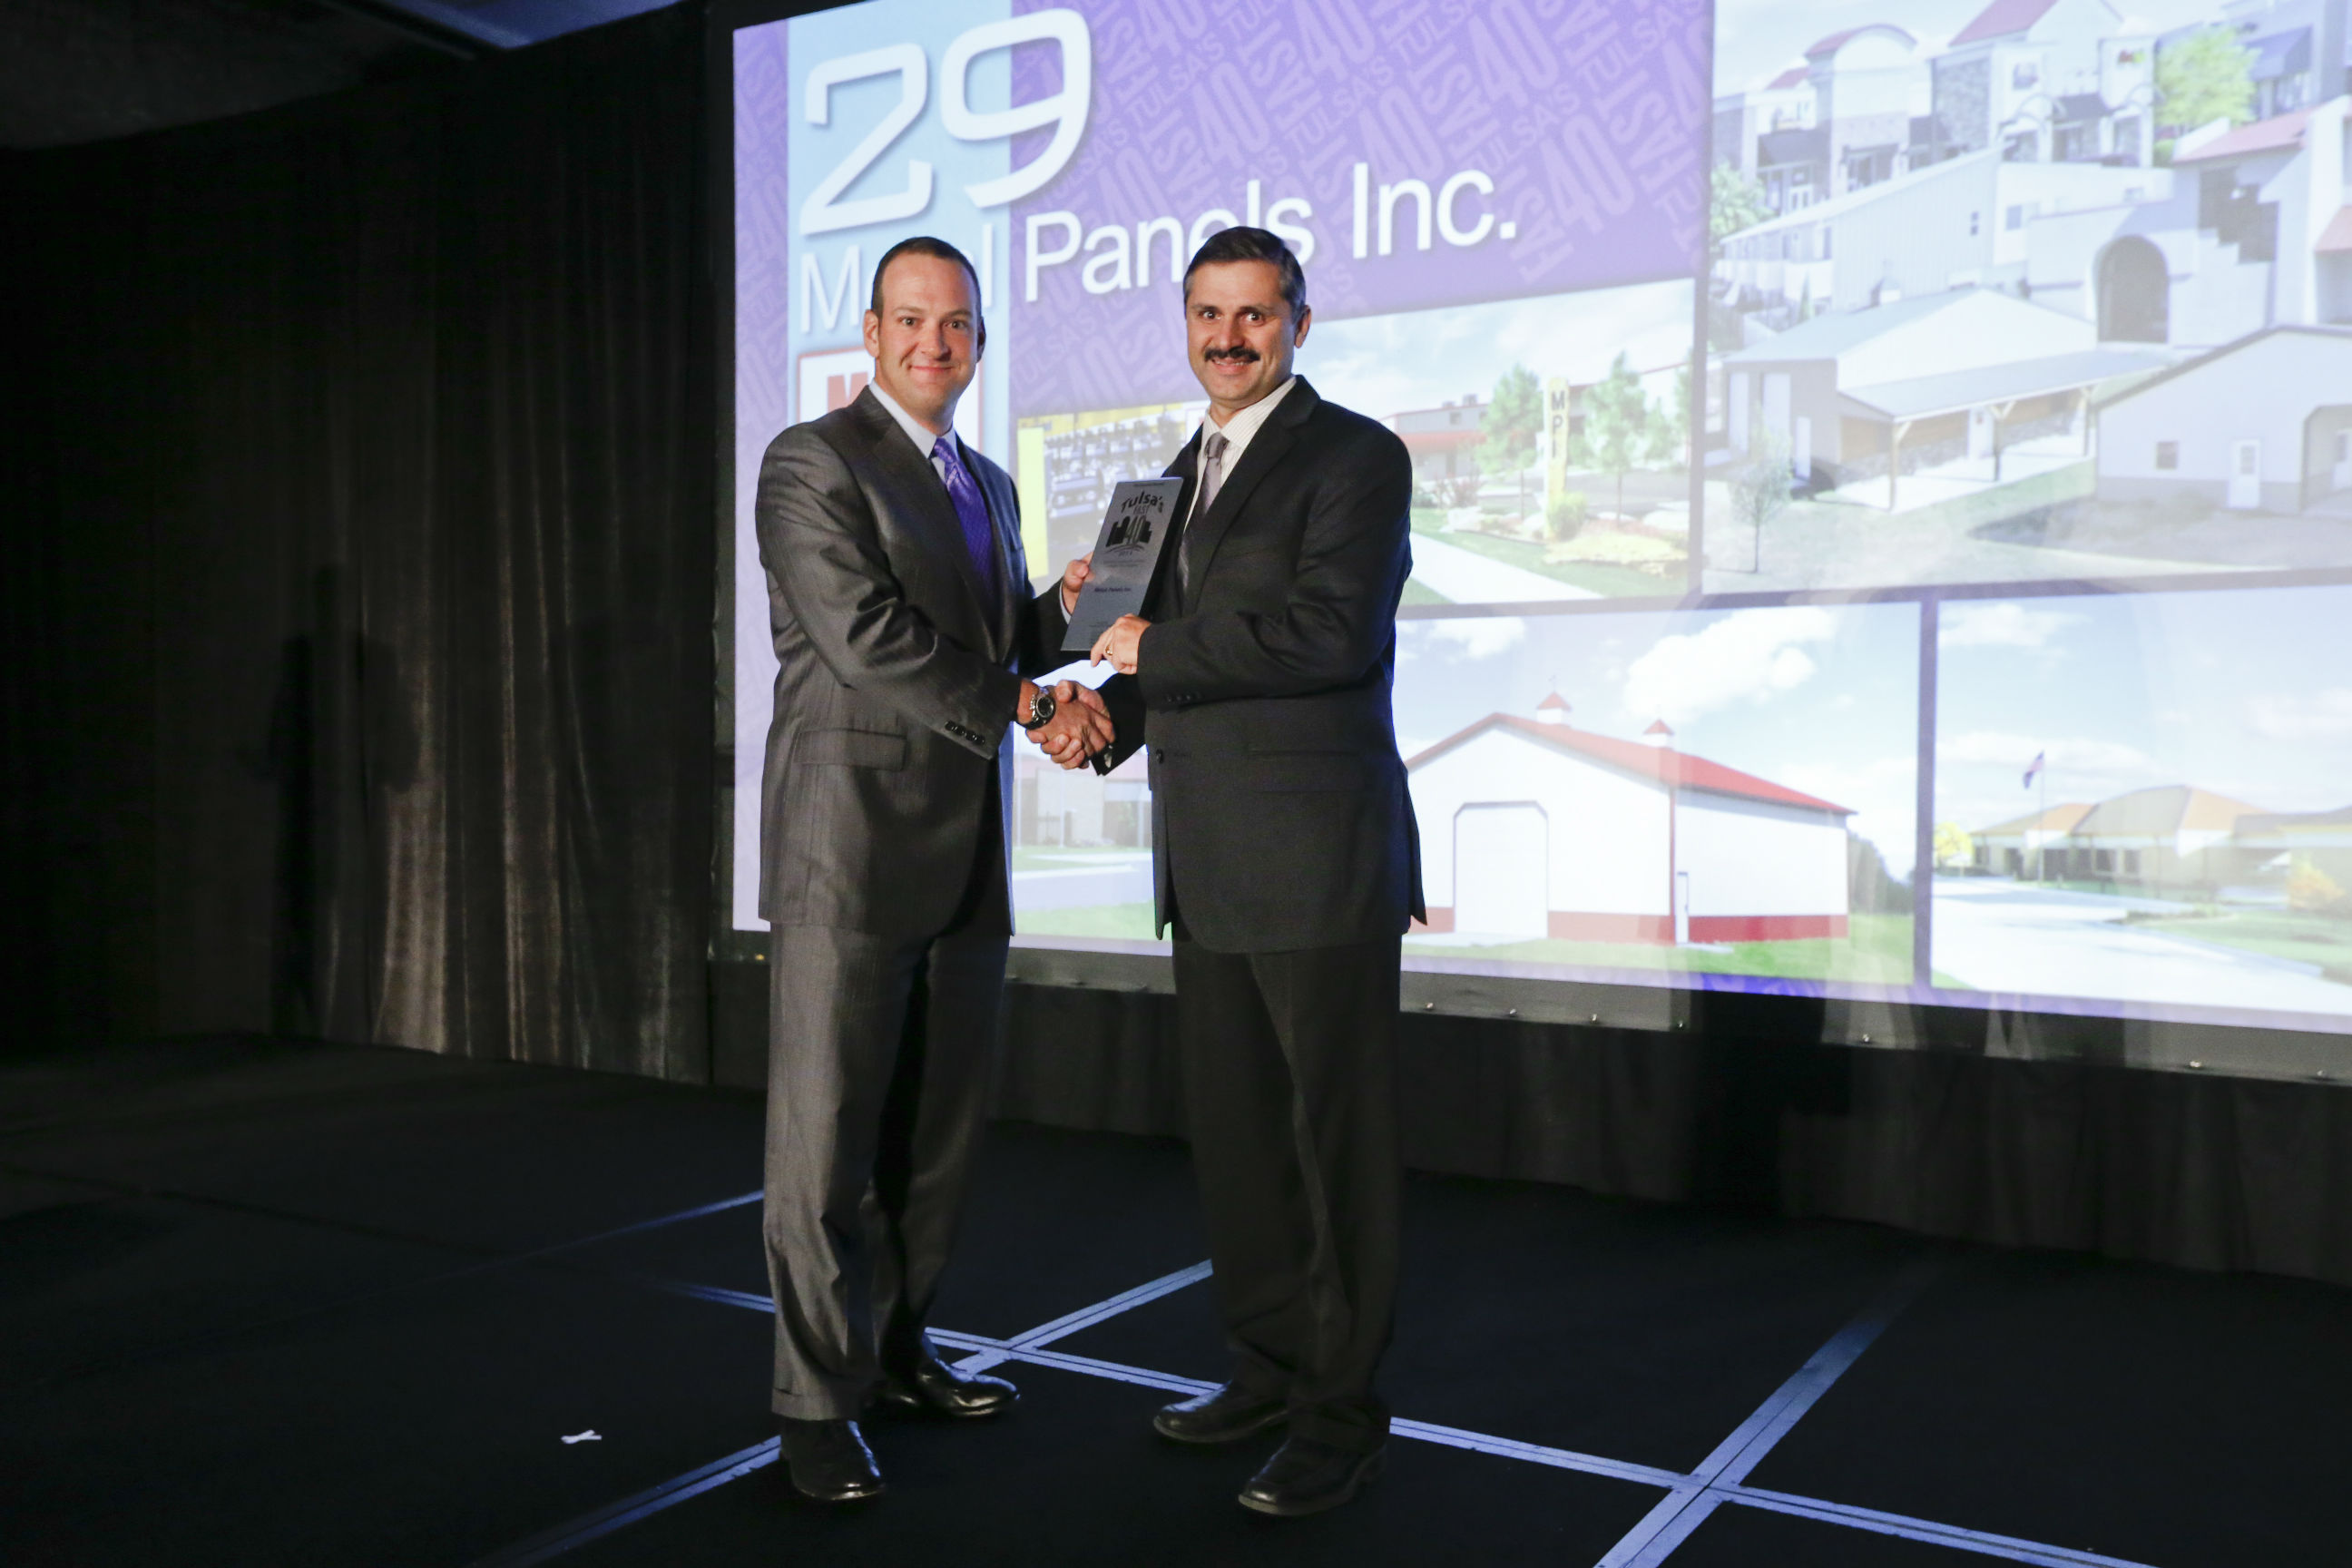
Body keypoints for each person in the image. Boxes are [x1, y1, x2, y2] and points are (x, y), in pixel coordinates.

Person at [752, 235, 1112, 1504]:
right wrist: (1029, 701)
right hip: (847, 849)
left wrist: (1070, 609)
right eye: (910, 320)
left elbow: (994, 636)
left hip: (964, 856)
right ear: (871, 332)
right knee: (825, 1146)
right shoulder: (810, 461)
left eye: (954, 323)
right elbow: (868, 639)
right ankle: (813, 1405)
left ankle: (899, 1353)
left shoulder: (989, 483)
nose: (932, 343)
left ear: (978, 341)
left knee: (934, 1141)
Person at [1086, 226, 1421, 1517]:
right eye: (1207, 315)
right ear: (1185, 324)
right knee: (1238, 1151)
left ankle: (1342, 1418)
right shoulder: (1166, 480)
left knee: (1335, 1155)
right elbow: (1141, 659)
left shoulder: (1357, 456)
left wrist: (1147, 653)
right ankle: (1269, 1372)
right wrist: (1095, 722)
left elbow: (1329, 637)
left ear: (1299, 323)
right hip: (1209, 862)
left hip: (1319, 862)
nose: (1228, 339)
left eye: (1254, 315)